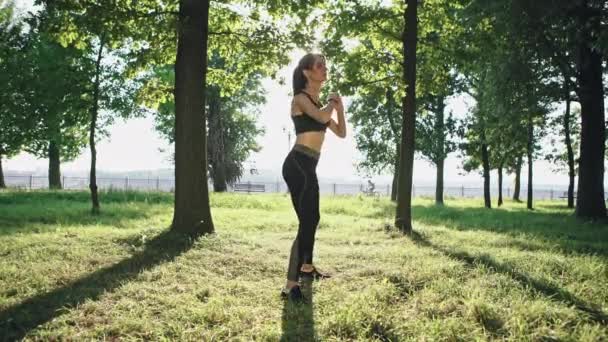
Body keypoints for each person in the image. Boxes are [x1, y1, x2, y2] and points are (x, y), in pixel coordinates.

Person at [280, 53, 347, 302]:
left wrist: (340, 108)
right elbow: (320, 118)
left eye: (325, 65)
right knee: (306, 221)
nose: (325, 68)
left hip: (309, 166)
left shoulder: (321, 105)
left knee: (313, 217)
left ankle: (307, 268)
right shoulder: (300, 99)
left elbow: (341, 132)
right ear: (308, 73)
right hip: (297, 164)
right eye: (320, 65)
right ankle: (290, 285)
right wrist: (330, 104)